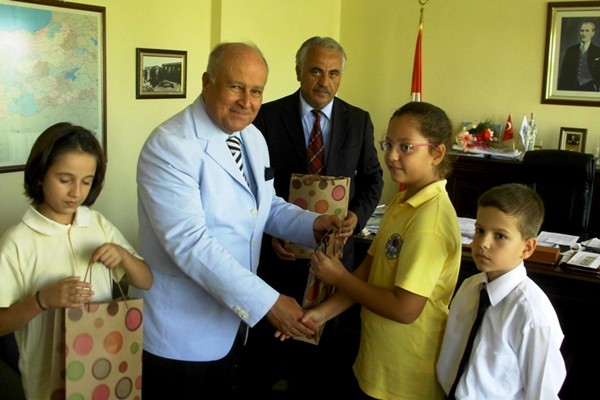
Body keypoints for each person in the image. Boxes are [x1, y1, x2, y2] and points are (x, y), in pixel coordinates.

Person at [135, 41, 346, 398]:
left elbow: (264, 206)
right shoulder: (170, 145)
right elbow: (191, 245)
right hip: (182, 336)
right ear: (207, 83)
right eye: (235, 87)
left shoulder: (251, 137)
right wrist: (268, 303)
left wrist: (311, 225)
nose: (246, 101)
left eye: (256, 91)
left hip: (232, 323)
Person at [239, 36, 383, 397]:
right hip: (280, 258)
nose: (325, 82)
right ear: (298, 71)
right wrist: (270, 232)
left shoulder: (358, 120)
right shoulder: (266, 117)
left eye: (334, 74)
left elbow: (373, 179)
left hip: (334, 257)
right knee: (270, 354)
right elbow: (251, 187)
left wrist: (356, 217)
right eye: (316, 71)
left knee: (323, 363)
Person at [292, 101, 462, 399]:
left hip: (405, 376)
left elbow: (405, 309)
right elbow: (367, 271)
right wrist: (319, 315)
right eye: (389, 144)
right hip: (378, 362)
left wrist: (338, 276)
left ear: (437, 153)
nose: (392, 156)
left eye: (406, 147)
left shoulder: (429, 222)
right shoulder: (401, 203)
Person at [0, 122, 153, 399]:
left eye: (86, 181)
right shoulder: (17, 242)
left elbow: (145, 280)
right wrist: (42, 300)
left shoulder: (97, 224)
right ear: (39, 176)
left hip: (105, 369)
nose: (76, 192)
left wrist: (123, 256)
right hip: (46, 384)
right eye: (65, 179)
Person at [437, 183, 566, 399]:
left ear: (527, 248)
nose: (483, 243)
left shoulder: (532, 315)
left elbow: (542, 394)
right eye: (480, 231)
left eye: (500, 236)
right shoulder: (469, 287)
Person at [557, 21, 600, 91]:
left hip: (591, 88)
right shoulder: (570, 50)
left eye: (587, 31)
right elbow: (563, 73)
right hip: (571, 87)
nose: (584, 34)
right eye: (582, 31)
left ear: (593, 33)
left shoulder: (598, 51)